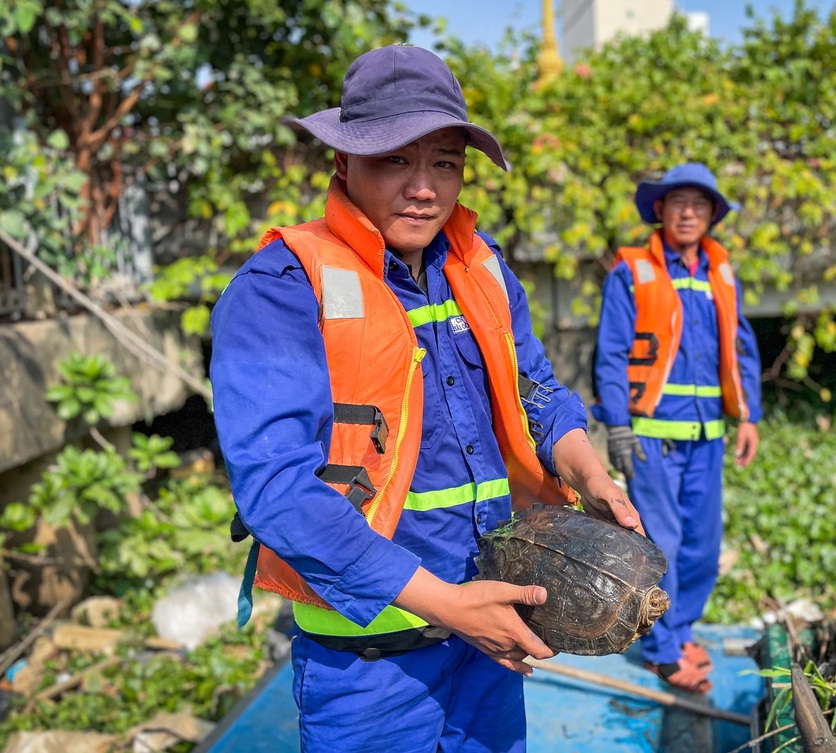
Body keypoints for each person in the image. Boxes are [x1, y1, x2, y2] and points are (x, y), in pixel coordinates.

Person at [210, 44, 643, 752]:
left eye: (444, 161)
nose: (424, 188)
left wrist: (588, 473)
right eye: (394, 160)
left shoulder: (482, 267)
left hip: (489, 644)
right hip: (367, 668)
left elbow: (535, 387)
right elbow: (278, 490)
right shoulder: (282, 286)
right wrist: (449, 605)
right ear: (343, 163)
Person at [592, 162, 763, 694]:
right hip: (652, 438)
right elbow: (613, 354)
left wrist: (749, 415)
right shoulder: (633, 271)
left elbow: (741, 349)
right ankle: (662, 652)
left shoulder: (720, 274)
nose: (687, 213)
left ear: (712, 215)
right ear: (660, 211)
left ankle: (680, 630)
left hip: (707, 439)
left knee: (702, 548)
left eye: (699, 204)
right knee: (660, 545)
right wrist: (617, 426)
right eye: (677, 203)